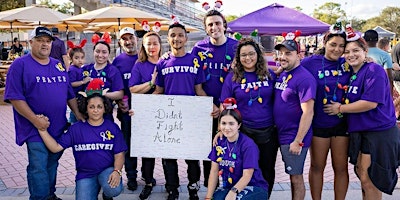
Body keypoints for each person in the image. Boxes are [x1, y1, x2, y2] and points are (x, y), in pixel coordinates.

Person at [4, 26, 83, 200]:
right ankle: (40, 197)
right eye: (40, 41)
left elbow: (69, 93)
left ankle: (49, 195)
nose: (44, 44)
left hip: (57, 127)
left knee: (52, 163)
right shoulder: (20, 65)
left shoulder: (58, 66)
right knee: (38, 165)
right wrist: (34, 120)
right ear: (31, 42)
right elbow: (15, 97)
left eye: (47, 41)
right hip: (34, 128)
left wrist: (77, 114)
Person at [324, 28, 400, 199]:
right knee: (362, 174)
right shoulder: (353, 72)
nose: (351, 54)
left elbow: (370, 103)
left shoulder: (374, 70)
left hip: (379, 132)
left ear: (365, 51)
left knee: (369, 179)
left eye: (356, 50)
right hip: (363, 131)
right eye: (347, 51)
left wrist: (340, 108)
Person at [153, 21, 208, 200]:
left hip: (190, 118)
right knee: (169, 158)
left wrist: (212, 106)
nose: (176, 38)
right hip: (169, 119)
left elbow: (199, 90)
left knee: (192, 157)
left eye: (180, 35)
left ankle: (193, 189)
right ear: (168, 39)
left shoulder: (195, 60)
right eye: (173, 35)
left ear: (185, 38)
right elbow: (159, 91)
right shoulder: (163, 62)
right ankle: (172, 189)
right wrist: (140, 108)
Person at [37, 92, 127, 200]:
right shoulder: (76, 129)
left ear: (104, 108)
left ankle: (106, 192)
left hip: (106, 170)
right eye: (91, 107)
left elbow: (119, 153)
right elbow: (55, 148)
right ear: (86, 109)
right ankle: (95, 187)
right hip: (85, 174)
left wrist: (117, 171)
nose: (95, 110)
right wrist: (42, 130)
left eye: (99, 107)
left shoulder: (112, 127)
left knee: (113, 189)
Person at [219, 37, 278, 197]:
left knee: (266, 169)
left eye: (251, 54)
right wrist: (222, 130)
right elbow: (224, 106)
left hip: (268, 132)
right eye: (243, 55)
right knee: (244, 169)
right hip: (244, 132)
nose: (248, 58)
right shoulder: (232, 77)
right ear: (238, 58)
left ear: (258, 54)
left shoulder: (270, 75)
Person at [301, 22, 351, 200]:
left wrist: (368, 59)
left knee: (341, 168)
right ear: (325, 42)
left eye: (341, 46)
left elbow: (366, 67)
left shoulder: (348, 63)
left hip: (341, 125)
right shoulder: (309, 63)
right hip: (319, 125)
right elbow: (288, 71)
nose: (337, 49)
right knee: (317, 166)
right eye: (333, 45)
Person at [190, 9, 238, 189]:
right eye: (210, 24)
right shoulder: (198, 49)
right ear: (205, 28)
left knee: (230, 148)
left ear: (224, 25)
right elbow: (196, 83)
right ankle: (211, 186)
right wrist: (210, 104)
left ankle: (230, 186)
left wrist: (224, 106)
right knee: (210, 149)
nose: (214, 27)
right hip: (206, 109)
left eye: (217, 23)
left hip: (231, 109)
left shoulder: (236, 47)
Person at [273, 32, 316, 200]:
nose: (283, 57)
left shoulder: (304, 78)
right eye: (281, 53)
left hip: (294, 136)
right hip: (280, 133)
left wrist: (298, 140)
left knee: (296, 177)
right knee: (292, 176)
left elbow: (308, 112)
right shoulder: (283, 73)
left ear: (299, 55)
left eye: (288, 53)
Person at [205, 97, 269, 200]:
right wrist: (208, 197)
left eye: (231, 124)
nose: (227, 128)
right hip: (228, 186)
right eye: (224, 123)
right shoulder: (219, 142)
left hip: (254, 186)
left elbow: (247, 175)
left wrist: (233, 192)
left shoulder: (248, 145)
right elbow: (214, 171)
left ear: (238, 125)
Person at [129, 31, 161, 199]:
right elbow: (133, 89)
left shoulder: (166, 62)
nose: (152, 47)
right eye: (148, 44)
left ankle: (172, 184)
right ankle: (148, 182)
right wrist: (151, 83)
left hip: (165, 114)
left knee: (166, 150)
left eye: (155, 43)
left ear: (160, 45)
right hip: (147, 114)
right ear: (143, 46)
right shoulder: (139, 65)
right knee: (148, 151)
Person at [111, 27, 140, 191]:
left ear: (137, 39)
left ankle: (147, 175)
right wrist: (120, 101)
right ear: (120, 42)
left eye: (131, 38)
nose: (128, 42)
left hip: (146, 111)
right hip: (127, 111)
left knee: (146, 145)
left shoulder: (144, 56)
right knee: (129, 144)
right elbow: (116, 84)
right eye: (124, 39)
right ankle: (132, 176)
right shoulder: (118, 61)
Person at [81, 37, 124, 121]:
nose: (100, 55)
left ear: (108, 54)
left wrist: (103, 94)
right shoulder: (85, 69)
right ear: (93, 52)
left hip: (106, 115)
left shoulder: (113, 70)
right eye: (97, 51)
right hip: (86, 115)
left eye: (104, 52)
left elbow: (120, 94)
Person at [67, 39, 91, 124]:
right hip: (75, 98)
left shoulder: (80, 68)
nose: (80, 60)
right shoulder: (72, 70)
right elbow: (70, 84)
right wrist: (83, 82)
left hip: (80, 96)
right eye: (76, 58)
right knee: (75, 114)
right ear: (71, 58)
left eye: (82, 58)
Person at [363, 29, 394, 94]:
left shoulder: (359, 54)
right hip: (379, 88)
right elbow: (389, 77)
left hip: (362, 87)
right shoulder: (385, 55)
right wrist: (390, 96)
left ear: (364, 40)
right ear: (377, 40)